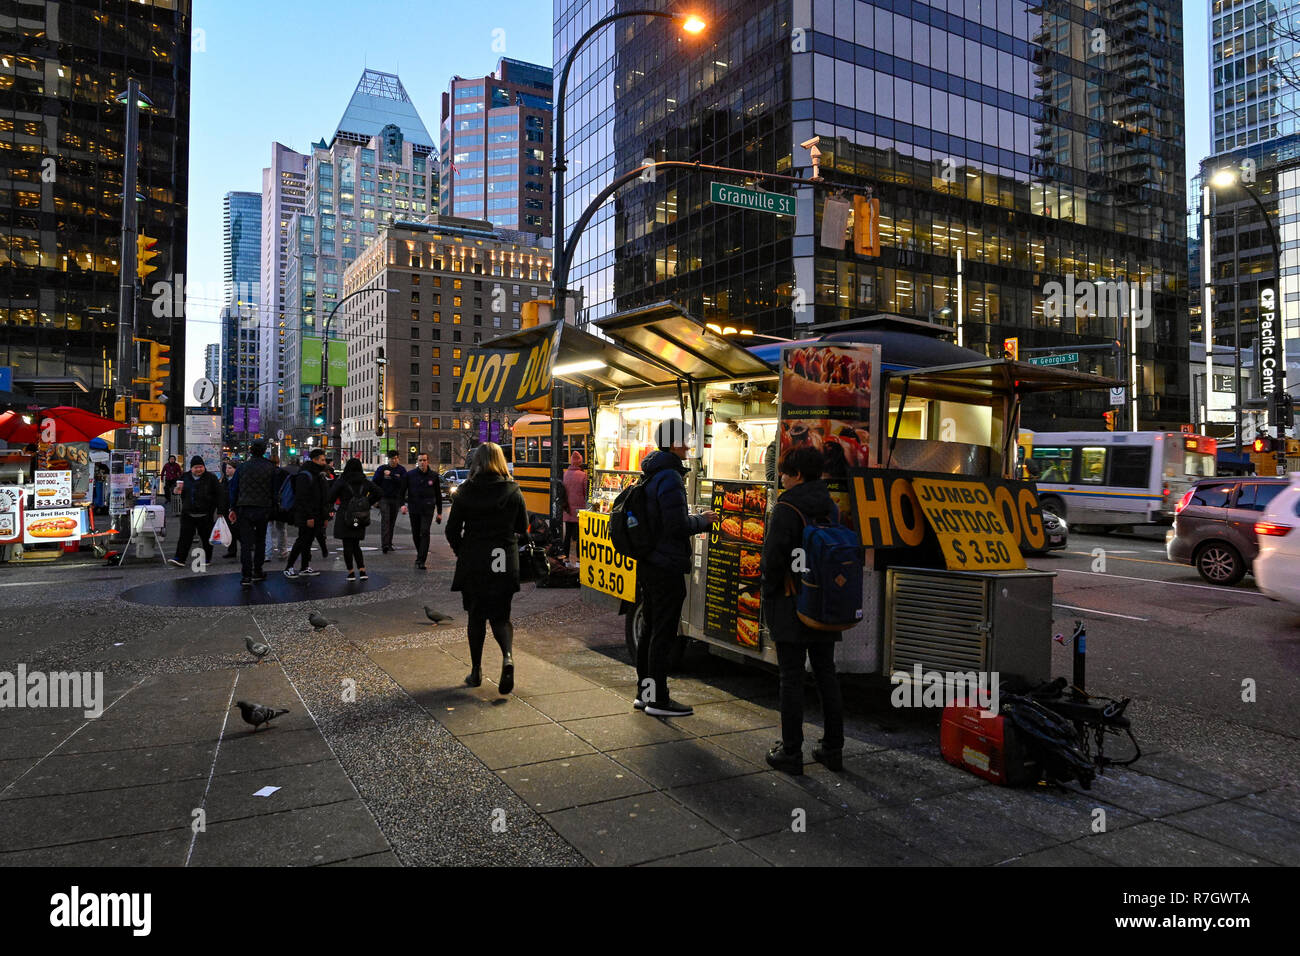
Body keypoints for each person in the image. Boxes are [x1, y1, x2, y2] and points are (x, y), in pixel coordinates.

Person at [759, 446, 845, 775]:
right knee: (826, 675)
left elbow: (773, 561)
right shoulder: (830, 506)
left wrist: (768, 592)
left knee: (791, 679)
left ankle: (791, 753)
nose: (780, 478)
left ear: (796, 475)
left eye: (783, 473)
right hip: (825, 602)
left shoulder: (786, 507)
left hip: (791, 602)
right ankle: (833, 749)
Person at [635, 419, 716, 717]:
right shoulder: (669, 476)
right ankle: (658, 699)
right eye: (686, 438)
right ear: (673, 442)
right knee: (663, 633)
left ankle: (644, 695)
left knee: (651, 628)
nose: (690, 442)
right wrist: (703, 521)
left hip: (650, 562)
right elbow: (676, 525)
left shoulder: (653, 471)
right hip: (665, 564)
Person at [445, 442, 527, 695]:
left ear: (477, 461)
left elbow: (451, 530)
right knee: (501, 616)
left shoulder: (466, 491)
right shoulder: (513, 490)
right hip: (503, 557)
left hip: (475, 559)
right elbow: (522, 527)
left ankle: (477, 670)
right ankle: (508, 657)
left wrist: (463, 550)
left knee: (476, 616)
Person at [228, 439, 277, 586]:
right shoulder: (270, 467)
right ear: (264, 451)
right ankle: (258, 570)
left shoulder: (243, 467)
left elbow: (234, 489)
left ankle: (246, 575)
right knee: (260, 540)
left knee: (246, 543)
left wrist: (233, 507)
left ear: (250, 451)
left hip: (244, 507)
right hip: (263, 507)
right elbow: (274, 491)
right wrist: (273, 508)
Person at [328, 458, 381, 581]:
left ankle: (351, 572)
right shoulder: (364, 481)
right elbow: (379, 492)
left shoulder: (342, 481)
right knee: (356, 544)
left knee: (347, 544)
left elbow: (330, 496)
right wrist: (367, 502)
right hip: (359, 517)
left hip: (345, 516)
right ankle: (362, 570)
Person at [169, 456, 219, 568]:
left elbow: (219, 493)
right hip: (188, 513)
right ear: (191, 468)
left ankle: (207, 558)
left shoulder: (211, 477)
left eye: (201, 467)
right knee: (184, 537)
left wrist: (219, 510)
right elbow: (174, 487)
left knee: (206, 538)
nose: (199, 470)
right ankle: (180, 558)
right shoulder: (185, 477)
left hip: (205, 513)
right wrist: (175, 490)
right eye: (196, 467)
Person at [285, 448, 329, 578]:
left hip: (316, 514)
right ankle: (289, 567)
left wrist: (324, 515)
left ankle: (304, 566)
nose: (324, 462)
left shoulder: (318, 474)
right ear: (315, 460)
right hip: (306, 515)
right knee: (302, 540)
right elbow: (302, 497)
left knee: (307, 541)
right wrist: (309, 516)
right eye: (322, 460)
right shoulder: (305, 474)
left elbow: (322, 497)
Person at [401, 450, 443, 569]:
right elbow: (402, 492)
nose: (422, 462)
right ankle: (420, 554)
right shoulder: (410, 475)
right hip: (414, 508)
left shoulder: (434, 476)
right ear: (417, 462)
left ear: (427, 461)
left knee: (424, 532)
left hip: (428, 509)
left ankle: (421, 560)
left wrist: (439, 513)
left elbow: (438, 495)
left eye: (424, 460)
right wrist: (402, 505)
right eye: (420, 460)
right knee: (416, 534)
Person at [373, 451, 407, 553]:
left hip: (396, 499)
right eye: (392, 458)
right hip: (384, 499)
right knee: (385, 521)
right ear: (388, 459)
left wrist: (391, 475)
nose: (394, 460)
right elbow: (375, 482)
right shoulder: (382, 469)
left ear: (398, 459)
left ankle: (389, 543)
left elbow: (403, 483)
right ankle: (385, 545)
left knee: (392, 522)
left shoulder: (401, 470)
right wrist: (375, 499)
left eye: (396, 458)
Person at [561, 450, 587, 560]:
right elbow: (586, 493)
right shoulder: (583, 475)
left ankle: (565, 557)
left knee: (567, 535)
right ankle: (578, 559)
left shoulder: (565, 474)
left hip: (567, 509)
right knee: (580, 536)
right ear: (580, 462)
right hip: (579, 510)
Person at [264, 454, 290, 560]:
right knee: (281, 528)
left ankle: (268, 553)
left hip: (268, 503)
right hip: (280, 504)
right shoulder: (283, 473)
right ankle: (282, 551)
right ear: (278, 462)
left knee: (268, 529)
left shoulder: (265, 473)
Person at [316, 457, 337, 557]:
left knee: (315, 529)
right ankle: (324, 546)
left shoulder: (319, 478)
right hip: (328, 504)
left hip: (321, 505)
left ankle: (323, 546)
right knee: (323, 523)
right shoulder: (331, 477)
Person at [219, 461, 239, 561]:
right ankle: (232, 551)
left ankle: (250, 545)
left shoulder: (238, 480)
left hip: (235, 508)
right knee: (230, 531)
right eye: (227, 468)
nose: (227, 470)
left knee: (237, 530)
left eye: (230, 468)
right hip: (226, 508)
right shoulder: (224, 480)